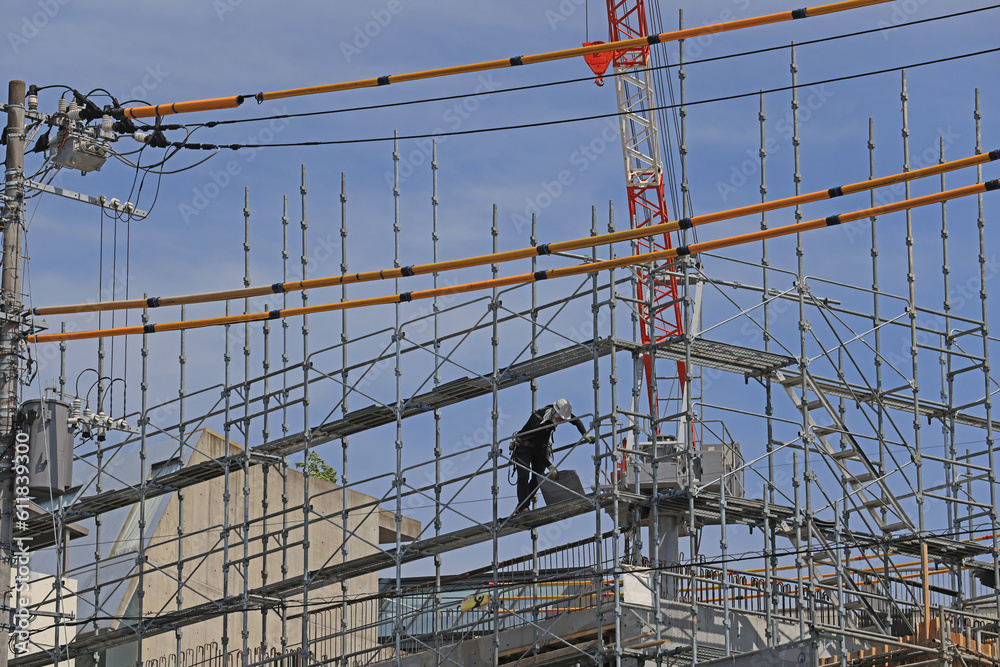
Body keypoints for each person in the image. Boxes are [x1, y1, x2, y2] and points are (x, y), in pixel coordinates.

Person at [510, 398, 595, 515]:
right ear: (555, 414)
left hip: (540, 447)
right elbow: (537, 449)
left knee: (538, 478)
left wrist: (584, 434)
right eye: (561, 419)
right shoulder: (538, 421)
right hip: (525, 447)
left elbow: (575, 421)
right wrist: (549, 465)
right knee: (523, 476)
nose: (562, 421)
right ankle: (523, 507)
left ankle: (522, 505)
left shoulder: (560, 412)